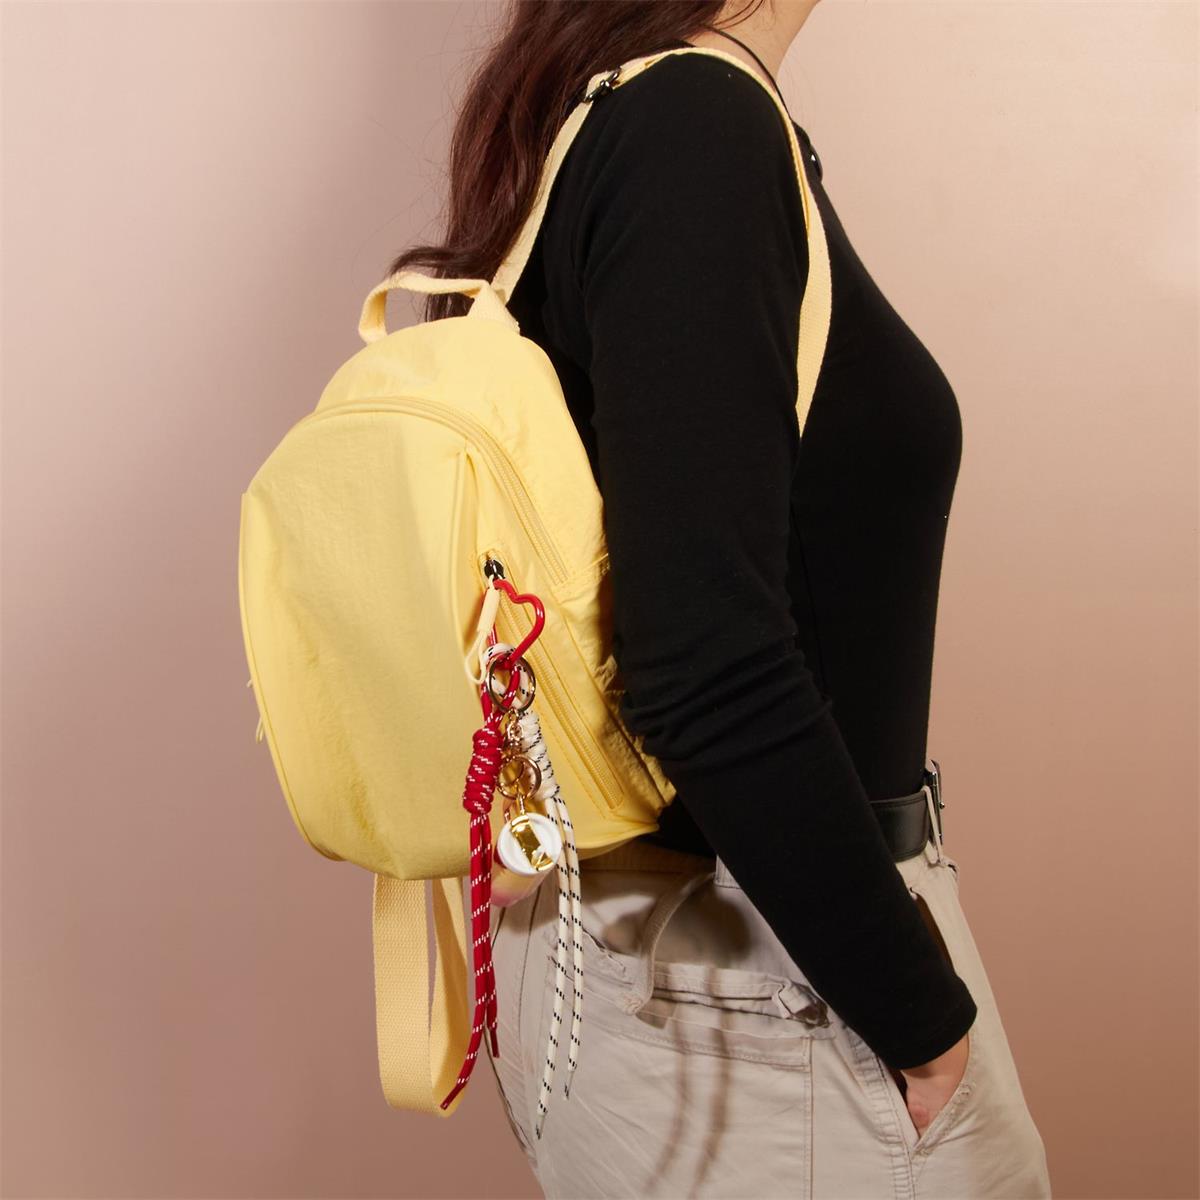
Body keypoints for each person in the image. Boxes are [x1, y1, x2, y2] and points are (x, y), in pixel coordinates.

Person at [387, 1, 1052, 1195]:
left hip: (698, 968)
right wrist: (920, 1018)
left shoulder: (627, 115)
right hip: (771, 983)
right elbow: (702, 661)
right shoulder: (692, 126)